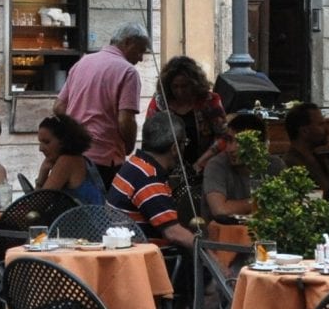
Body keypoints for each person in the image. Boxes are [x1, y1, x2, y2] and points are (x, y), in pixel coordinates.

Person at [55, 23, 149, 187]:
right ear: (127, 42)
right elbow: (125, 120)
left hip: (72, 154)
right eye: (140, 50)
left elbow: (58, 108)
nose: (141, 58)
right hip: (104, 158)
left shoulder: (82, 63)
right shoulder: (127, 71)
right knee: (101, 210)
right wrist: (128, 147)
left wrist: (74, 134)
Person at [107, 115, 198, 254]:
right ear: (175, 148)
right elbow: (173, 233)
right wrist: (214, 261)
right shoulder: (148, 176)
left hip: (126, 251)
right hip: (144, 257)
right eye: (184, 143)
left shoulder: (134, 164)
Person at [146, 55, 227, 183]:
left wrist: (200, 164)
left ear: (194, 84)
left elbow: (224, 136)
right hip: (166, 172)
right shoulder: (160, 103)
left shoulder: (209, 101)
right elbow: (149, 138)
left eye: (185, 86)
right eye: (175, 87)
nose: (180, 91)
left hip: (205, 170)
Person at [203, 112, 277, 220]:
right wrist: (261, 203)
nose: (230, 149)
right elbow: (219, 209)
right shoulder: (216, 165)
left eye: (240, 142)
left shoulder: (274, 165)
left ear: (258, 144)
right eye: (228, 140)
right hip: (226, 233)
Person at [34, 112, 103, 204]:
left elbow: (38, 205)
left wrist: (42, 175)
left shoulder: (67, 161)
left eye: (46, 142)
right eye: (40, 142)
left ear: (64, 141)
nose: (40, 148)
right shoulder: (79, 159)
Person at [273, 101, 329, 190]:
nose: (328, 130)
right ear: (304, 131)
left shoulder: (320, 160)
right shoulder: (291, 167)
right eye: (321, 124)